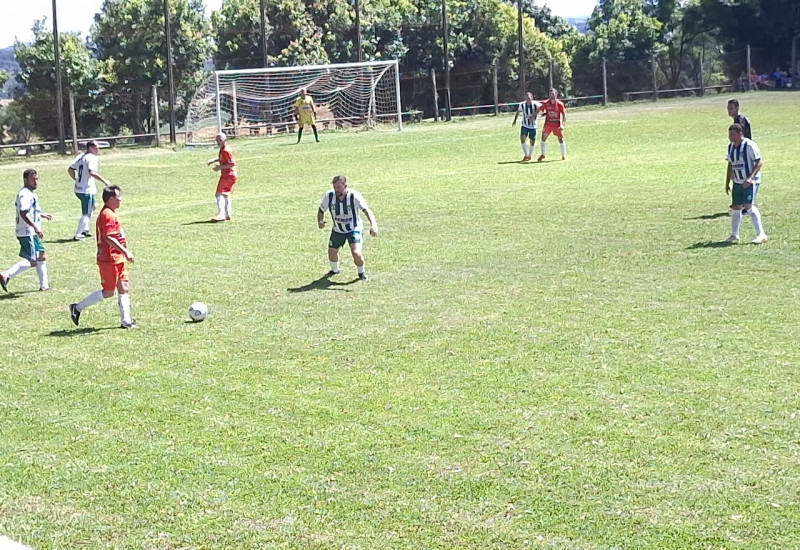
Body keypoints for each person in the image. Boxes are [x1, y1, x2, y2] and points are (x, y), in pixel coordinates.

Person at [69, 185, 138, 329]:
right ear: (111, 199)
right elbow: (108, 238)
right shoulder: (107, 214)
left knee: (124, 287)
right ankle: (77, 308)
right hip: (109, 259)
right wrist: (125, 251)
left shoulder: (111, 213)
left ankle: (126, 321)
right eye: (118, 197)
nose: (120, 200)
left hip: (117, 258)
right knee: (108, 292)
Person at [0, 169, 53, 293]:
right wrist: (35, 227)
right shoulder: (25, 194)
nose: (35, 182)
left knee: (41, 256)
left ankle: (44, 286)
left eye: (37, 179)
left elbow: (29, 211)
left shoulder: (29, 193)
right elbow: (23, 213)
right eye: (32, 179)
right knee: (33, 260)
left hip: (29, 231)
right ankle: (6, 274)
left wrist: (41, 215)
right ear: (25, 180)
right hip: (27, 232)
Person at [317, 175, 378, 281]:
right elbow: (321, 210)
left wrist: (374, 225)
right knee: (332, 252)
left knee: (356, 253)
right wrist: (320, 222)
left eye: (339, 187)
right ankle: (334, 270)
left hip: (354, 228)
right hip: (338, 229)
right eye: (335, 187)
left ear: (345, 186)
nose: (337, 190)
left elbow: (366, 210)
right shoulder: (329, 195)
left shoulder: (354, 196)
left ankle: (361, 272)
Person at [724, 123, 767, 244]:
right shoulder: (730, 147)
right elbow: (731, 164)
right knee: (736, 207)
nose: (731, 137)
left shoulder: (749, 146)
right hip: (737, 181)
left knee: (748, 206)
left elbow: (759, 162)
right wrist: (727, 181)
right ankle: (734, 235)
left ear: (740, 134)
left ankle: (761, 234)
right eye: (729, 134)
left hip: (750, 181)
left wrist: (750, 178)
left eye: (733, 134)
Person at [68, 140, 110, 241]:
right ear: (90, 148)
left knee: (93, 205)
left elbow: (70, 169)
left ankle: (85, 229)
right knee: (86, 213)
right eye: (96, 147)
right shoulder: (92, 158)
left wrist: (77, 179)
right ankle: (78, 234)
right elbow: (92, 172)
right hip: (86, 190)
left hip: (78, 189)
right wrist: (105, 181)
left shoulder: (80, 156)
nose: (98, 149)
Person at [206, 132, 237, 222]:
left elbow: (231, 163)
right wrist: (214, 160)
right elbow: (224, 159)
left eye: (220, 140)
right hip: (231, 175)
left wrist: (219, 167)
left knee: (219, 193)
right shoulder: (224, 149)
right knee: (225, 194)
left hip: (228, 175)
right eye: (217, 140)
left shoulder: (226, 150)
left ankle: (221, 214)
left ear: (225, 140)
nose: (218, 142)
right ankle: (227, 214)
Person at [511, 92, 542, 162]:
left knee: (532, 140)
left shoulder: (535, 104)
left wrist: (534, 115)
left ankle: (530, 155)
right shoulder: (522, 105)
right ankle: (526, 155)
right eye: (526, 98)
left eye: (529, 98)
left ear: (532, 97)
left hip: (533, 126)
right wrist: (515, 120)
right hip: (525, 125)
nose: (528, 99)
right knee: (522, 138)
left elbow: (542, 108)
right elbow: (518, 112)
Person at [538, 88, 567, 162]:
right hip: (548, 124)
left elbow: (564, 114)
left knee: (560, 139)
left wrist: (562, 124)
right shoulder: (546, 103)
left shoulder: (560, 104)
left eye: (553, 94)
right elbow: (540, 109)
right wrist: (535, 115)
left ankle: (563, 155)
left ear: (556, 94)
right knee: (543, 138)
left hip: (556, 124)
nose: (551, 96)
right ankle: (543, 154)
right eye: (550, 94)